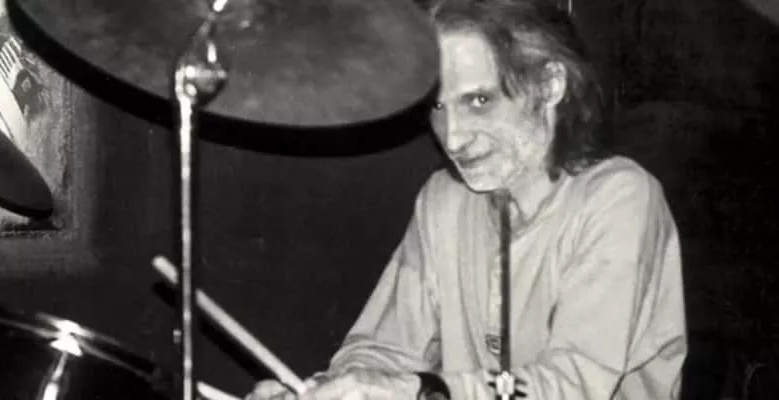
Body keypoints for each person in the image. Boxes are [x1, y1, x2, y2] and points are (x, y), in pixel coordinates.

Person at [246, 0, 687, 398]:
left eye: (478, 100)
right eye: (437, 107)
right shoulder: (444, 200)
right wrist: (329, 390)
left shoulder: (620, 197)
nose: (452, 138)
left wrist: (420, 391)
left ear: (550, 85)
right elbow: (386, 350)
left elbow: (571, 385)